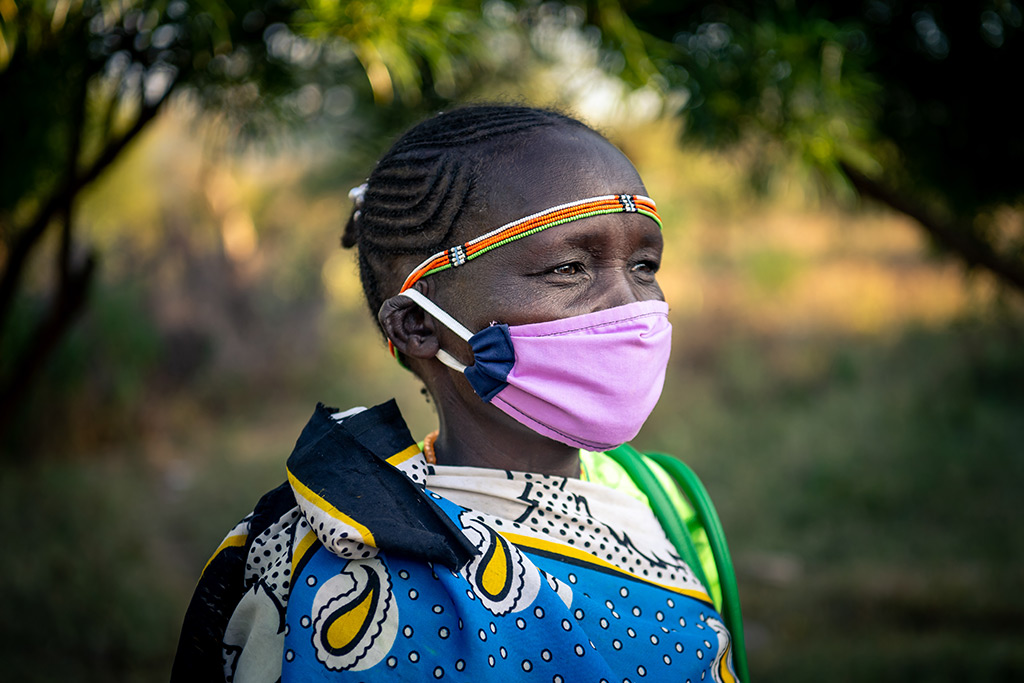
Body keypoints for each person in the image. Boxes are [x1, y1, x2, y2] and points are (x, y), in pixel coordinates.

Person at [172, 104, 741, 682]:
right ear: (419, 327)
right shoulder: (355, 571)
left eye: (644, 265)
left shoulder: (661, 500)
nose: (632, 304)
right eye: (569, 268)